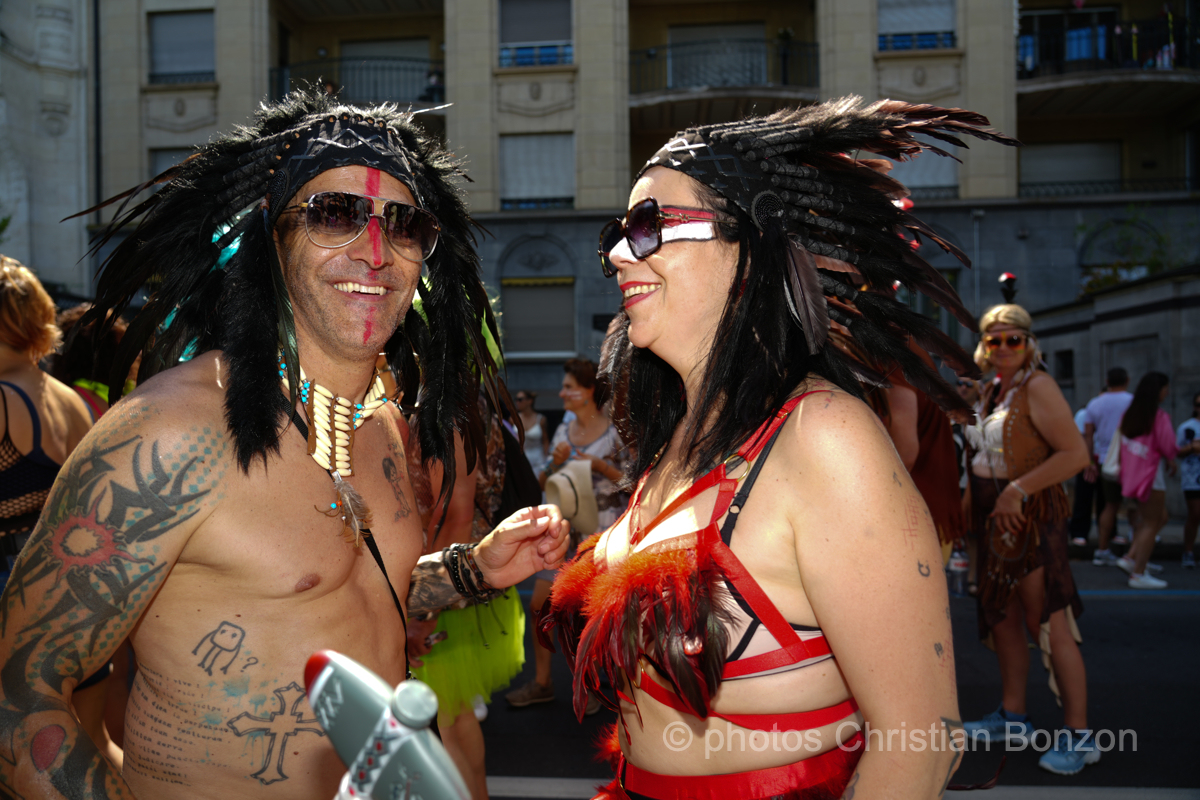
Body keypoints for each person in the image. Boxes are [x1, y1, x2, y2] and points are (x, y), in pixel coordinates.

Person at [0, 91, 569, 799]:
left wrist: (470, 570)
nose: (375, 252)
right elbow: (18, 692)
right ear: (272, 237)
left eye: (404, 224)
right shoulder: (170, 433)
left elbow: (345, 594)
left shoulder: (381, 422)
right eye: (334, 213)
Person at [542, 98, 1020, 798]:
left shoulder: (825, 437)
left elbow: (921, 744)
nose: (618, 253)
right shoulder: (677, 436)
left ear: (750, 248)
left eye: (648, 226)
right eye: (618, 231)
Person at [961, 304, 1094, 775]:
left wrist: (1017, 491)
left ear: (1029, 343)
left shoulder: (1038, 386)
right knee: (1003, 617)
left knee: (1049, 623)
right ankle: (1013, 716)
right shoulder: (992, 389)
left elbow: (1075, 454)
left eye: (1013, 339)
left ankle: (1080, 735)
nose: (1003, 347)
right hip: (994, 520)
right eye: (994, 339)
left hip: (1031, 519)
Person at [407, 395, 528, 800]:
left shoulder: (442, 408)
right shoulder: (461, 400)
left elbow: (455, 515)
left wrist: (423, 611)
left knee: (443, 724)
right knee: (453, 718)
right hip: (456, 582)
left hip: (442, 590)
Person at [506, 358, 623, 711]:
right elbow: (542, 480)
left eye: (569, 386)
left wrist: (599, 465)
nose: (561, 393)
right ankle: (543, 682)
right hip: (562, 531)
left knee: (591, 613)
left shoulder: (616, 432)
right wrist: (555, 463)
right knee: (539, 606)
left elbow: (634, 481)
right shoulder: (563, 429)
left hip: (600, 534)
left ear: (590, 391)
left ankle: (595, 686)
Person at [1115, 371, 1178, 588]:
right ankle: (1138, 572)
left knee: (1158, 518)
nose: (1167, 392)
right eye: (1165, 389)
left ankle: (1132, 558)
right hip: (1151, 475)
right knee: (1152, 523)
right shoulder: (1158, 417)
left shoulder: (1130, 415)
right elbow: (1169, 446)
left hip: (1132, 475)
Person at [1087, 368, 1135, 566]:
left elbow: (1089, 435)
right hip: (1131, 459)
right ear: (1127, 380)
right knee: (1136, 506)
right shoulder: (1133, 401)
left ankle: (1102, 549)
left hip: (1105, 459)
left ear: (1107, 381)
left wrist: (1089, 461)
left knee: (1109, 505)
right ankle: (1136, 552)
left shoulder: (1095, 403)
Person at [1179, 390, 1200, 569]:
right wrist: (1192, 448)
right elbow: (1176, 451)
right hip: (1193, 477)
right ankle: (1188, 551)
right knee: (1195, 514)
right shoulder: (1187, 427)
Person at [515, 389, 549, 474]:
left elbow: (545, 440)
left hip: (538, 459)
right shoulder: (513, 419)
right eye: (516, 399)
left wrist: (547, 459)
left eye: (520, 399)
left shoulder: (541, 419)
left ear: (530, 401)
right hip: (520, 458)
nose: (517, 402)